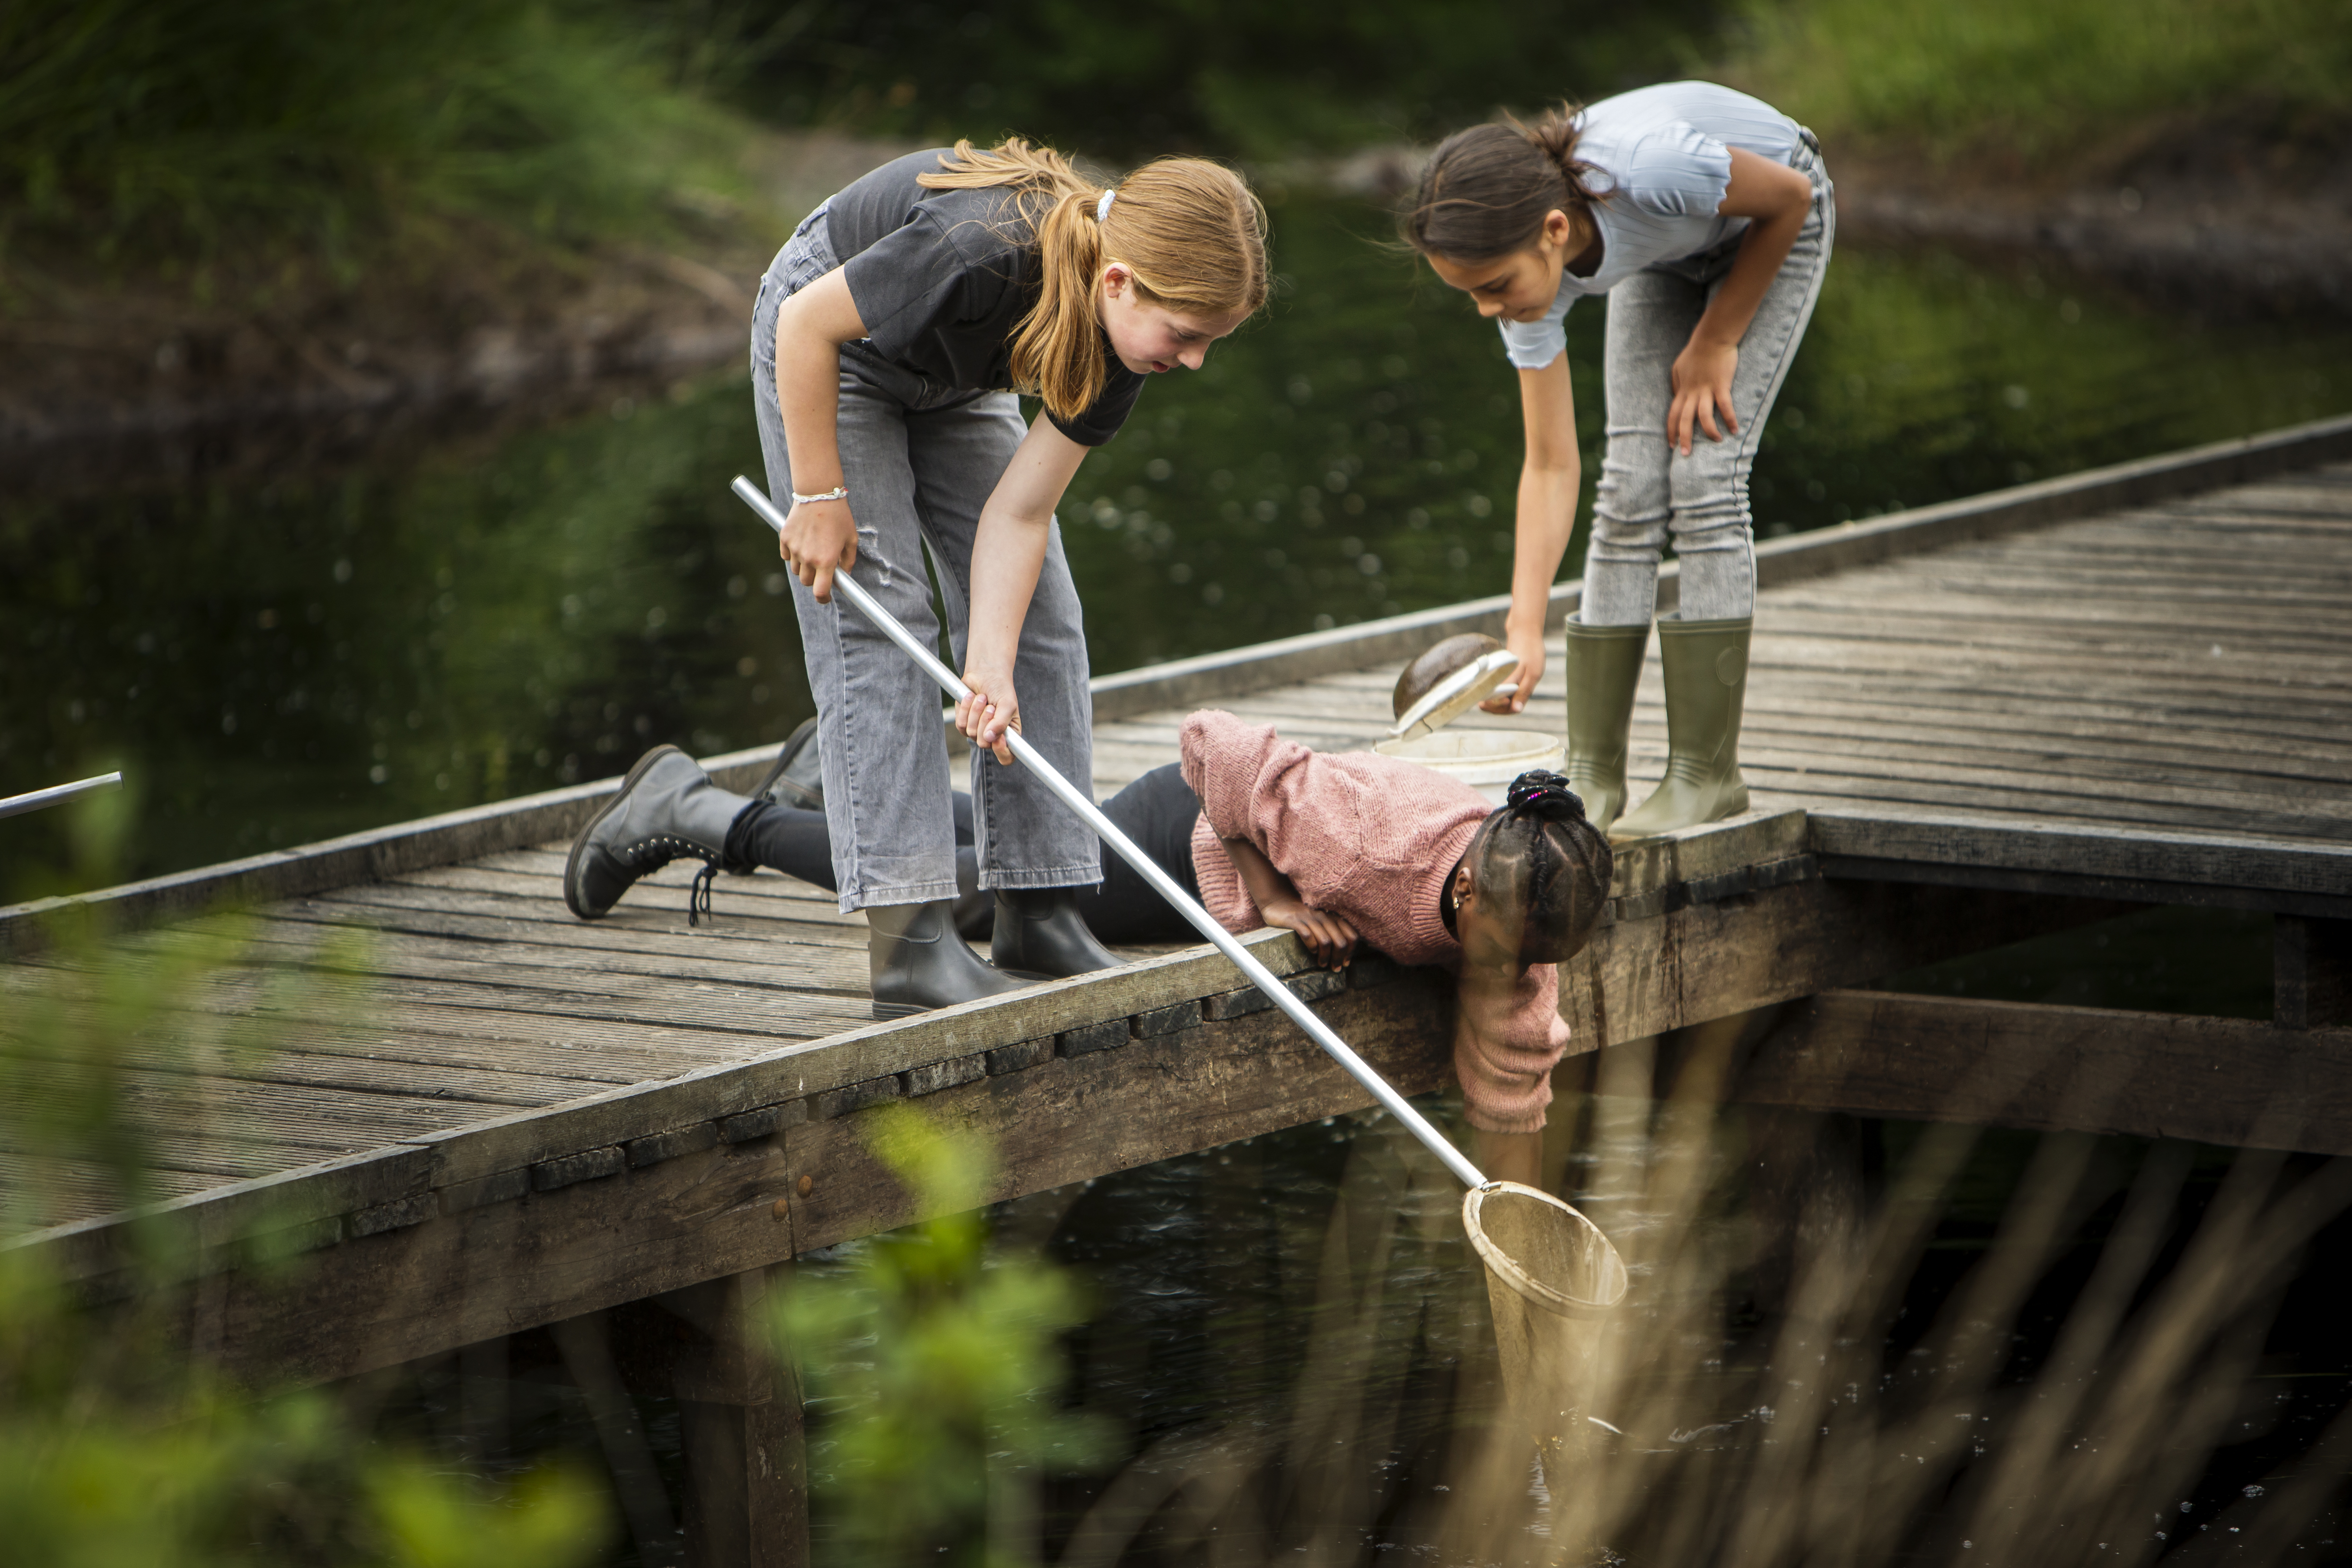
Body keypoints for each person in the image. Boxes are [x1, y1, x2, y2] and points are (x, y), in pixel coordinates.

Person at [565, 139, 1269, 1016]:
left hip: (953, 376)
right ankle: (910, 949)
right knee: (885, 623)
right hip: (836, 347)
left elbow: (1017, 515)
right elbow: (805, 327)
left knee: (1044, 618)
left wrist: (993, 666)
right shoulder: (979, 247)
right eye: (1189, 336)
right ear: (1119, 282)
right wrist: (819, 495)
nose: (1194, 361)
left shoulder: (1124, 350)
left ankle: (1040, 912)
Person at [563, 714, 1614, 1185]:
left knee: (1010, 863)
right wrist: (1275, 893)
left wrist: (1514, 1207)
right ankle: (696, 809)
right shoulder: (1366, 837)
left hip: (1204, 843)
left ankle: (821, 784)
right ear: (1467, 885)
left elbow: (1513, 1078)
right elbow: (1214, 743)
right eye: (1502, 951)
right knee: (967, 899)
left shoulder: (1522, 921)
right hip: (1184, 832)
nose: (1512, 971)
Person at [1402, 83, 1833, 839]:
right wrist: (1524, 626)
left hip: (1768, 224)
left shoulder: (1654, 168)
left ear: (1555, 230)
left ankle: (1708, 777)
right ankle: (1595, 775)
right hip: (1671, 251)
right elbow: (1549, 465)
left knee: (1705, 476)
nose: (1486, 309)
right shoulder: (1528, 287)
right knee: (1628, 489)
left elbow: (1791, 198)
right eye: (1468, 295)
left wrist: (1718, 338)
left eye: (1494, 286)